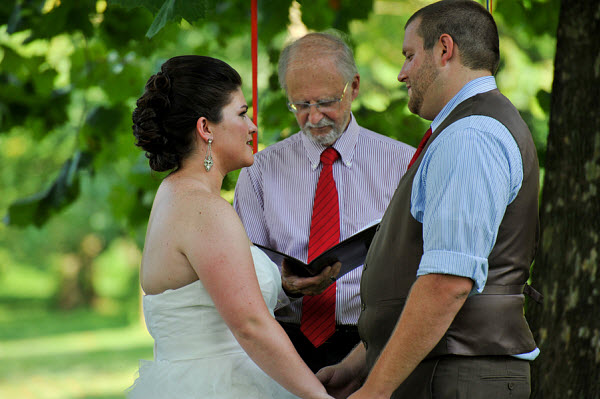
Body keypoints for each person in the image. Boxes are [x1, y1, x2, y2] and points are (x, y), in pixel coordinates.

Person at [317, 1, 541, 398]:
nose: (402, 73)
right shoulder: (462, 130)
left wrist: (377, 389)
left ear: (444, 49)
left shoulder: (471, 136)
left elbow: (447, 282)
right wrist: (359, 368)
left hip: (458, 377)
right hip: (444, 371)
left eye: (409, 56)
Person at [127, 55, 334, 399]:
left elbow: (205, 295)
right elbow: (251, 326)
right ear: (205, 128)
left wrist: (285, 286)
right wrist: (319, 397)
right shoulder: (205, 210)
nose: (253, 126)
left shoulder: (173, 194)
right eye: (241, 114)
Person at [234, 32, 415, 373]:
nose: (314, 118)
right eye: (301, 105)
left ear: (354, 87)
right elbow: (242, 273)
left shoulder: (402, 164)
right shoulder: (258, 170)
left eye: (326, 101)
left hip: (374, 343)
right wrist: (284, 286)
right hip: (282, 343)